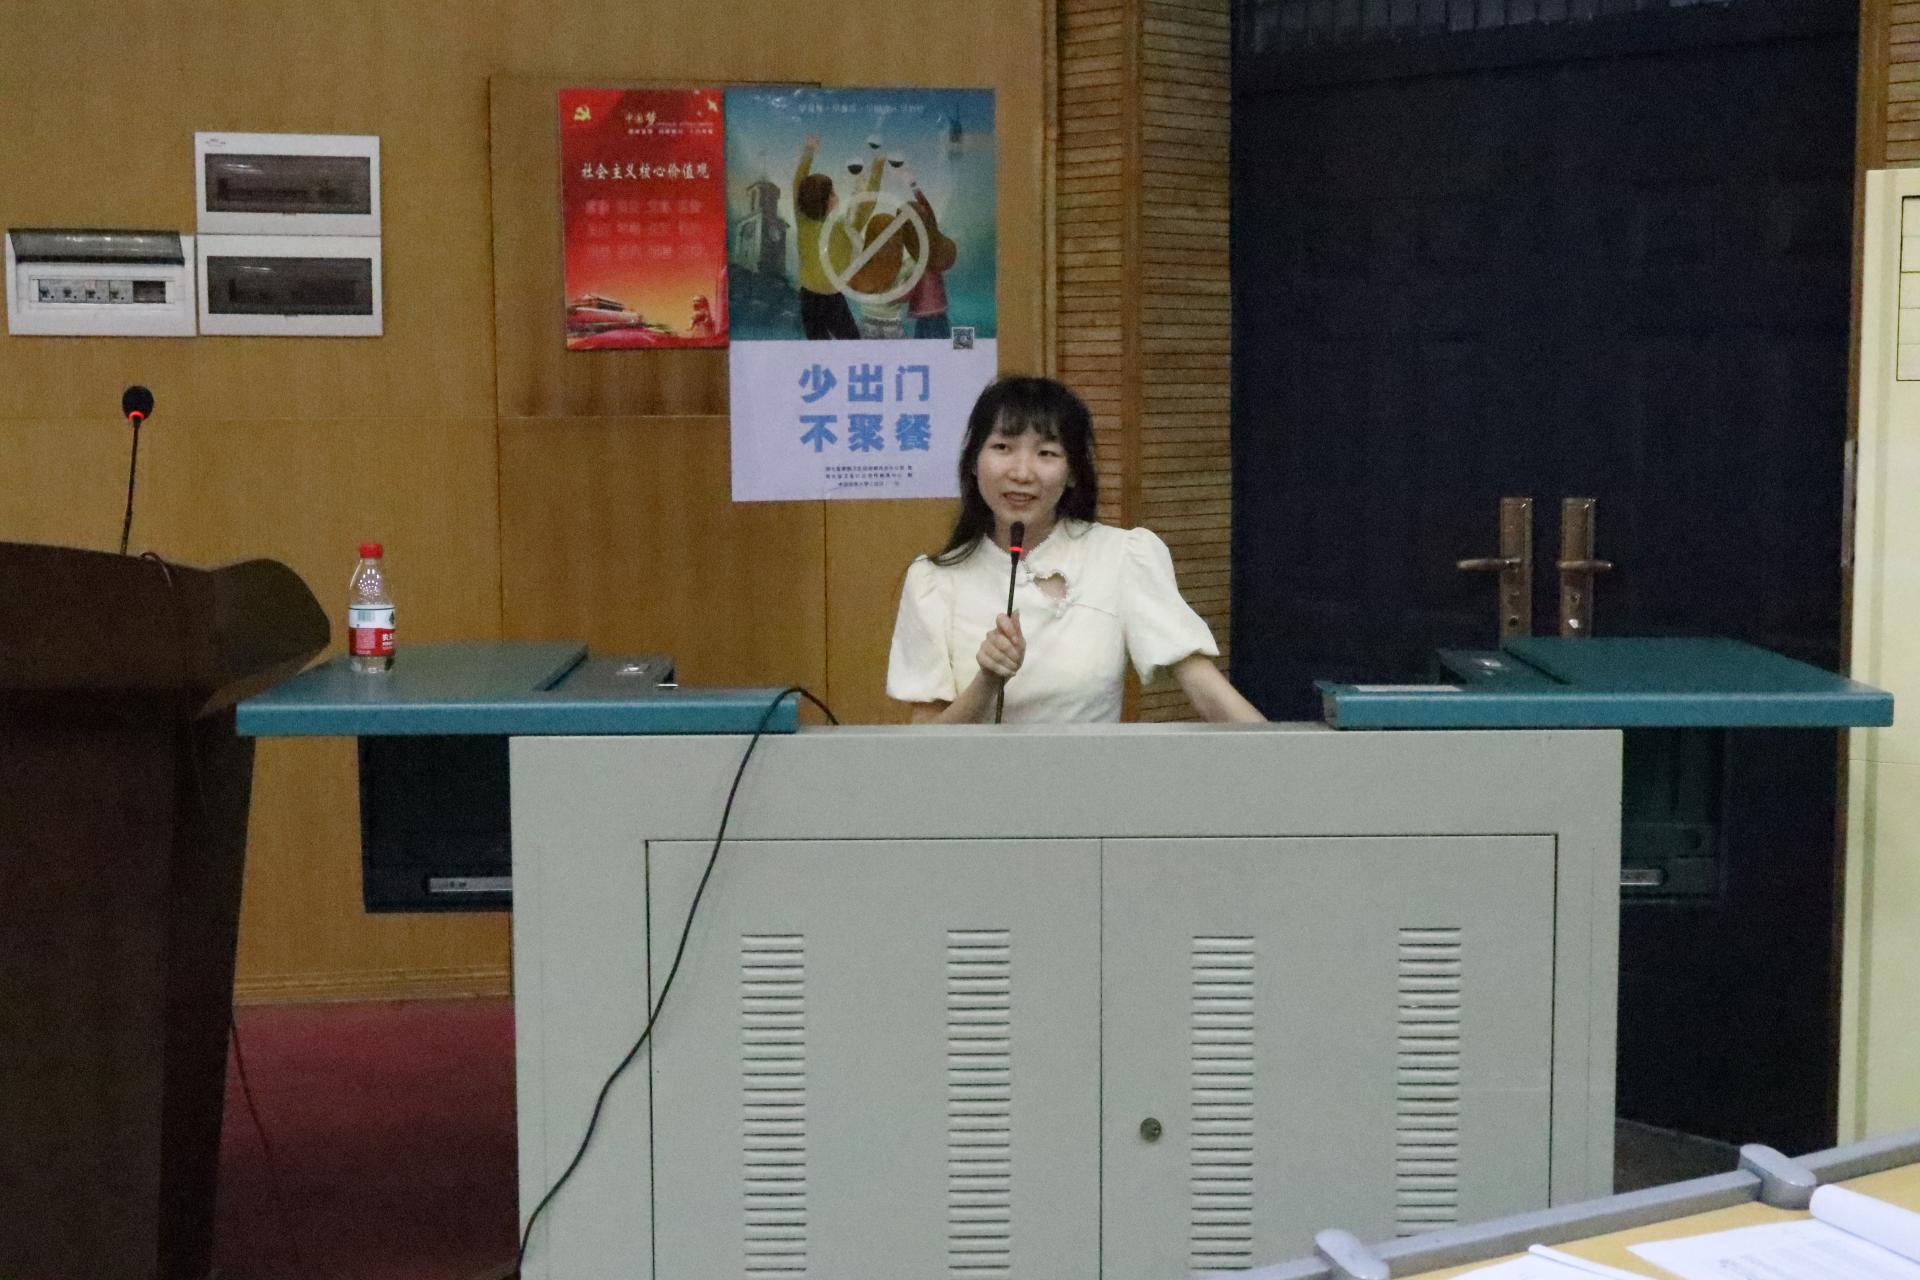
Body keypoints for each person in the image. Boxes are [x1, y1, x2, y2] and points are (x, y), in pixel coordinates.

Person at [887, 375, 1266, 724]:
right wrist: (987, 681)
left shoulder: (1121, 557)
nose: (1022, 472)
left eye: (1046, 453)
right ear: (973, 461)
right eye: (1003, 447)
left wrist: (1286, 761)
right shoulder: (933, 581)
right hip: (974, 779)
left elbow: (1207, 693)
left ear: (1072, 472)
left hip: (1092, 776)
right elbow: (925, 746)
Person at [792, 134, 883, 340]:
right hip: (828, 299)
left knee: (821, 346)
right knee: (851, 345)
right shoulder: (843, 227)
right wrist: (877, 168)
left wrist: (809, 151)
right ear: (824, 201)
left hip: (811, 297)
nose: (837, 196)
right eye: (832, 193)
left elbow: (797, 184)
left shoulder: (802, 219)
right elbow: (868, 204)